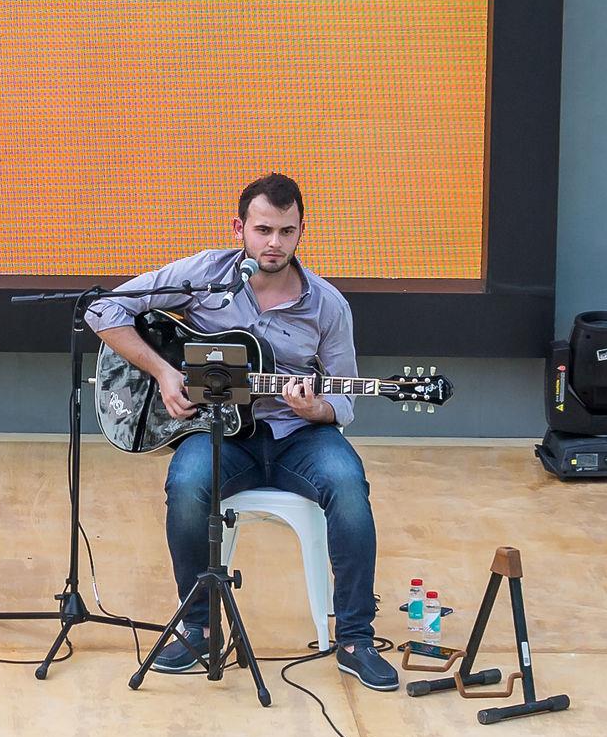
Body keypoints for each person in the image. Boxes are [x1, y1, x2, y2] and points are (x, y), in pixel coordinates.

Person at [86, 173, 398, 692]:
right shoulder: (205, 274)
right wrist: (164, 373)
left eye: (286, 231)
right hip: (219, 434)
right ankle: (200, 629)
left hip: (299, 435)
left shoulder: (328, 305)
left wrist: (318, 407)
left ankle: (355, 640)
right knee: (186, 485)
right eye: (263, 230)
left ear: (301, 232)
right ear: (240, 229)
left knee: (348, 485)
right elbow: (105, 309)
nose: (274, 243)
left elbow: (345, 398)